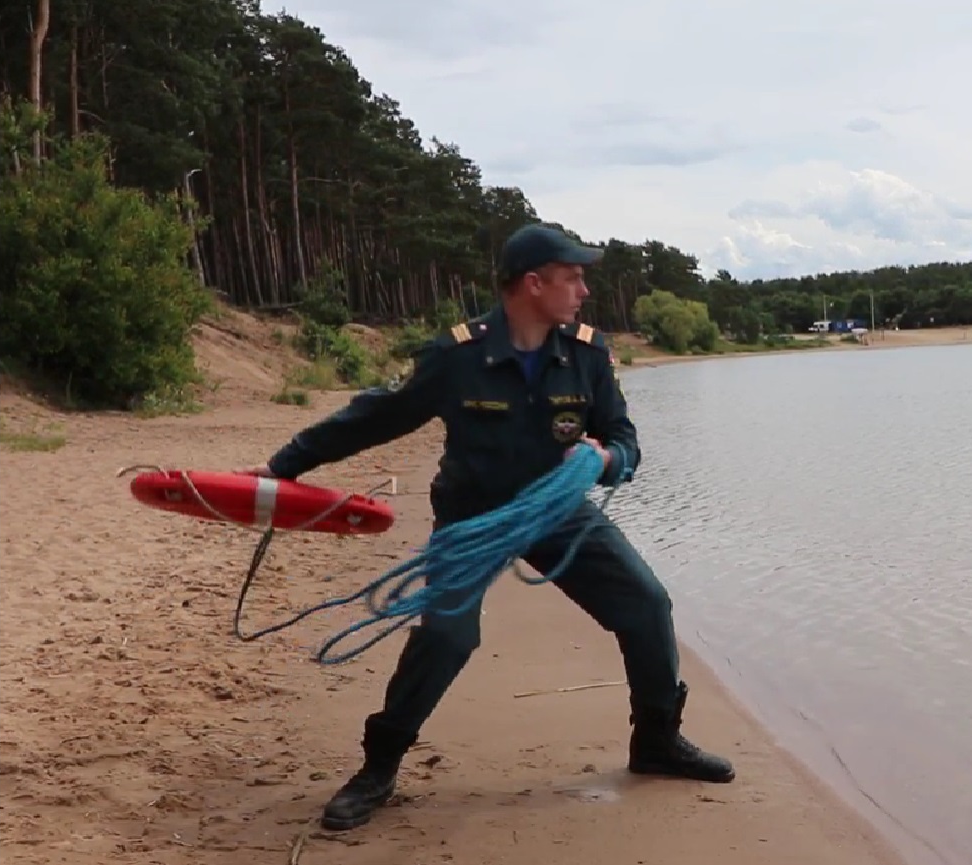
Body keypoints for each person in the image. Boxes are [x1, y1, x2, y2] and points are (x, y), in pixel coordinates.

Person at [243, 223, 735, 832]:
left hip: (556, 512)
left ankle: (658, 741)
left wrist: (606, 459)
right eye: (572, 276)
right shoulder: (457, 356)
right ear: (534, 284)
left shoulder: (585, 352)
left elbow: (623, 439)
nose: (583, 288)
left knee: (646, 605)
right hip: (472, 516)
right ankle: (379, 766)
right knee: (449, 637)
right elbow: (375, 417)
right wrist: (282, 467)